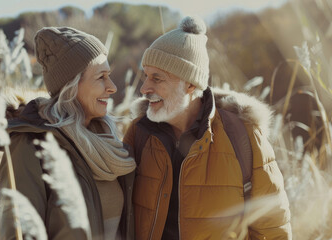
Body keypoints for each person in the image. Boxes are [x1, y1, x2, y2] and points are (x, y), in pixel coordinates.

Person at [123, 16, 292, 239]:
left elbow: (272, 228)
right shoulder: (139, 132)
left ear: (190, 83)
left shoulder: (243, 135)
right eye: (145, 76)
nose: (144, 88)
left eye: (157, 78)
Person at [0, 27, 136, 240]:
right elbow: (18, 233)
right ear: (71, 86)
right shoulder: (29, 144)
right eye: (101, 77)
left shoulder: (107, 140)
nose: (112, 87)